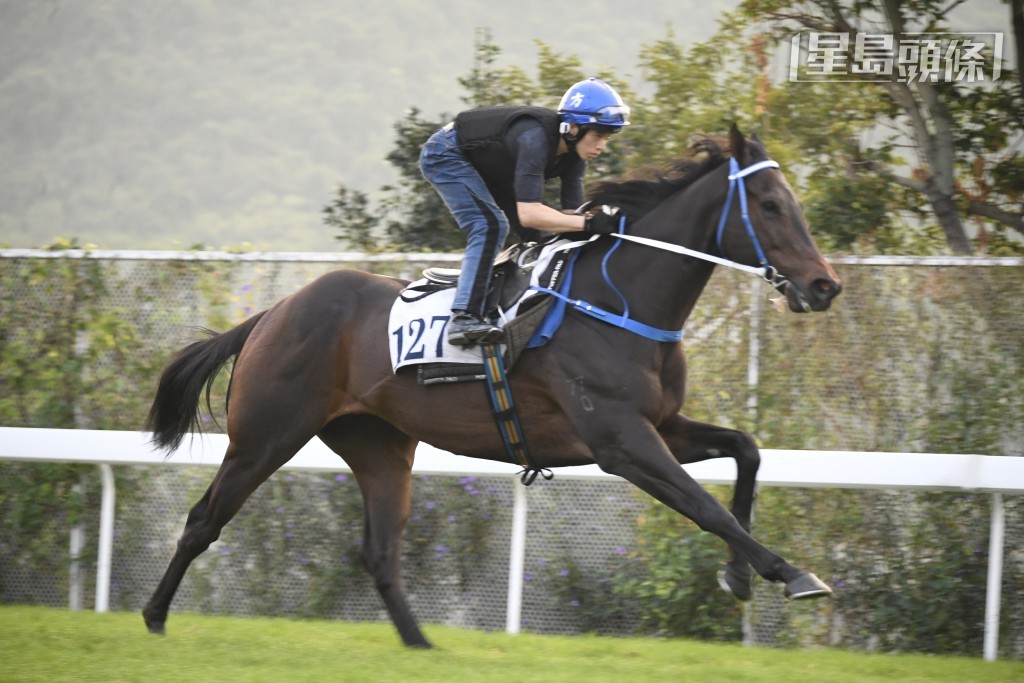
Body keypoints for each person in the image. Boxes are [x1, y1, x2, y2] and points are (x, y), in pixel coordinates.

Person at [419, 77, 631, 346]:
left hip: (490, 166)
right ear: (573, 128)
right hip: (447, 153)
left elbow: (571, 218)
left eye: (607, 137)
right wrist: (589, 223)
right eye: (598, 136)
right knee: (490, 225)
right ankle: (464, 318)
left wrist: (601, 223)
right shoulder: (535, 139)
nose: (602, 146)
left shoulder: (575, 157)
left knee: (545, 236)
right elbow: (529, 214)